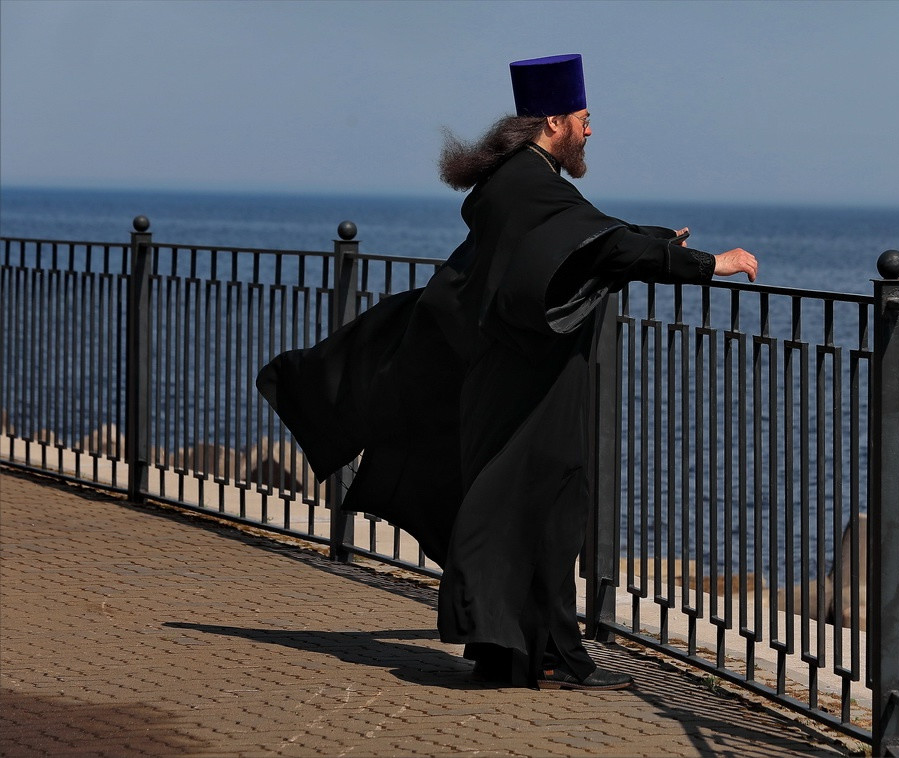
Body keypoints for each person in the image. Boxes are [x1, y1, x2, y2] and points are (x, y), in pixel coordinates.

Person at [257, 53, 758, 691]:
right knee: (533, 509)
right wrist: (710, 265)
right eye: (583, 118)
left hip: (512, 377)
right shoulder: (531, 184)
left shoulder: (516, 181)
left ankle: (518, 653)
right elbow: (594, 241)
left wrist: (657, 240)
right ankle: (537, 653)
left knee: (532, 511)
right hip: (531, 385)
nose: (590, 130)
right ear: (554, 122)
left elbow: (583, 236)